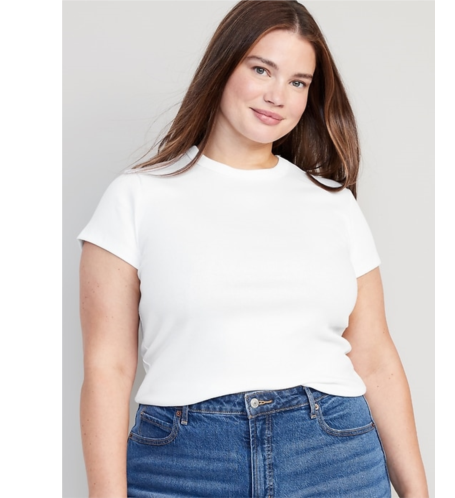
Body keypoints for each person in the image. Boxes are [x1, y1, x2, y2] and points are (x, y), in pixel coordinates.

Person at [77, 0, 430, 496]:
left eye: (298, 82)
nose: (277, 96)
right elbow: (108, 367)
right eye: (261, 69)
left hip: (332, 457)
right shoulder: (136, 197)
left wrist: (417, 492)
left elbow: (374, 355)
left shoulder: (333, 203)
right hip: (183, 466)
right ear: (223, 66)